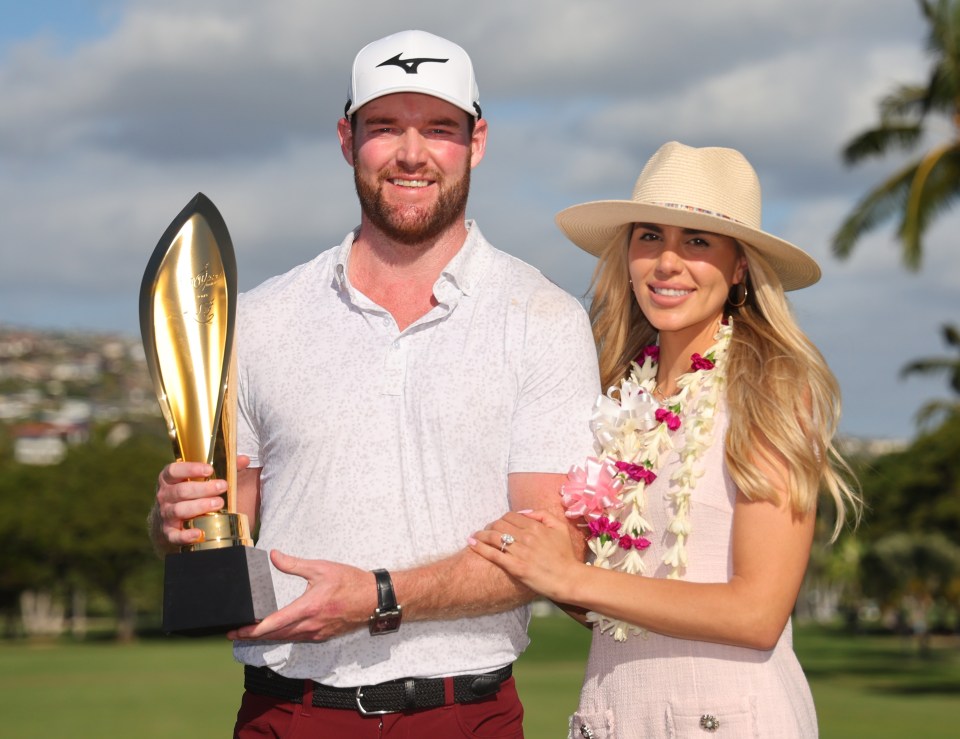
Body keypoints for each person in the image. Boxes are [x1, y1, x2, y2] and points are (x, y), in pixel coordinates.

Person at [149, 30, 599, 738]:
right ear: (345, 137)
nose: (412, 154)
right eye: (385, 127)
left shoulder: (542, 316)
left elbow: (551, 549)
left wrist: (378, 595)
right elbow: (224, 523)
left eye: (439, 129)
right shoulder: (262, 317)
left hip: (463, 712)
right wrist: (175, 520)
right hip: (288, 708)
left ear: (476, 141)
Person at [470, 141, 861, 738]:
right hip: (615, 714)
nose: (667, 262)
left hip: (729, 720)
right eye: (649, 236)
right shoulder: (616, 393)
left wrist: (570, 580)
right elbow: (616, 592)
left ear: (739, 268)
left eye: (697, 242)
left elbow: (758, 613)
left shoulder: (770, 387)